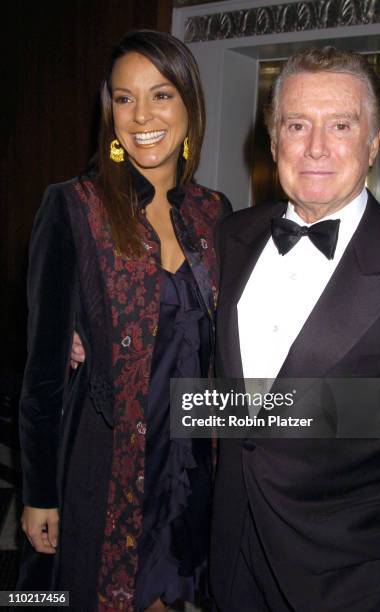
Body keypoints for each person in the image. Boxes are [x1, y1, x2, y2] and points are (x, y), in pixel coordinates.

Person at [18, 29, 231, 611]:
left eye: (161, 95)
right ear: (108, 109)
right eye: (124, 97)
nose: (141, 116)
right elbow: (41, 373)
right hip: (104, 458)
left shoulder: (216, 213)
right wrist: (38, 494)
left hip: (191, 459)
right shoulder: (73, 206)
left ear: (189, 104)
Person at [210, 47, 380, 611]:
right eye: (297, 125)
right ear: (273, 140)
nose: (317, 148)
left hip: (350, 582)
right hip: (230, 559)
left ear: (374, 141)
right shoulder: (229, 238)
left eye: (342, 125)